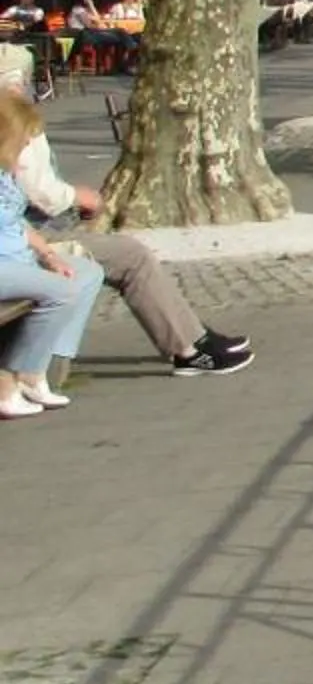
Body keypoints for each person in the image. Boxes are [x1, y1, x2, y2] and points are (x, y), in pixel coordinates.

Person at [0, 56, 253, 376]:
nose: (27, 87)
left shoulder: (13, 120)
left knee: (122, 253)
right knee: (129, 256)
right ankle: (188, 347)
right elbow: (43, 195)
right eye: (23, 79)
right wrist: (79, 199)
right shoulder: (15, 124)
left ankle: (191, 337)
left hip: (23, 238)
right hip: (23, 244)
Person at [0, 89, 104, 417]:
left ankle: (39, 370)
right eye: (22, 139)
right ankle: (9, 381)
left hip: (15, 257)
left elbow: (16, 223)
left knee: (86, 273)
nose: (26, 146)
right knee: (62, 290)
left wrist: (48, 255)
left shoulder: (7, 172)